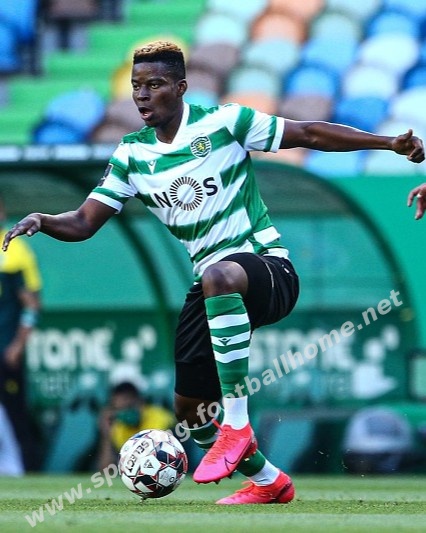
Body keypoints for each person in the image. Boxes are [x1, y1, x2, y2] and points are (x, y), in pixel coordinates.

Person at [2, 41, 424, 503]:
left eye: (155, 85)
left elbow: (309, 133)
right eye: (137, 86)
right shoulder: (131, 154)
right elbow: (84, 222)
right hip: (211, 286)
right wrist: (43, 220)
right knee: (191, 410)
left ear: (181, 87)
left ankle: (238, 425)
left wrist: (388, 143)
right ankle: (269, 482)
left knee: (220, 276)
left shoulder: (224, 123)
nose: (142, 95)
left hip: (268, 269)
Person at [0, 195, 42, 472]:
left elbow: (32, 305)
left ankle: (26, 469)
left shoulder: (14, 249)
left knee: (15, 413)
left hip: (5, 349)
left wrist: (17, 345)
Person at [97, 380, 175, 470]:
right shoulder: (118, 429)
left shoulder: (159, 417)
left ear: (139, 401)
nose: (126, 414)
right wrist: (106, 436)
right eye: (121, 411)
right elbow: (107, 469)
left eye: (129, 407)